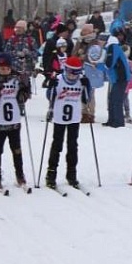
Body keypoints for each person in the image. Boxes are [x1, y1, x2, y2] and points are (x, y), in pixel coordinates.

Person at [0, 53, 31, 190]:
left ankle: (20, 175)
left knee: (16, 149)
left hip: (14, 121)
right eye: (1, 68)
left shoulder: (16, 79)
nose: (4, 70)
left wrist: (25, 88)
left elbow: (22, 99)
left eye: (7, 68)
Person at [45, 56, 92, 189]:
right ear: (66, 69)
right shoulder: (59, 79)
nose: (72, 76)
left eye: (76, 73)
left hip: (74, 119)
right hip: (59, 118)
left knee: (72, 147)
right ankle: (51, 174)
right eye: (70, 72)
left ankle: (71, 174)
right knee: (57, 145)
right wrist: (51, 85)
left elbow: (86, 99)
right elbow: (49, 96)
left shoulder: (81, 81)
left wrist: (87, 85)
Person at [74, 25, 106, 123]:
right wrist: (77, 54)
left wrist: (85, 57)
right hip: (80, 69)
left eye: (85, 31)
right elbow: (73, 54)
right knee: (82, 91)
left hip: (91, 70)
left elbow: (96, 56)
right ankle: (84, 112)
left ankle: (91, 114)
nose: (83, 32)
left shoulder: (95, 42)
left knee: (90, 92)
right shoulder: (80, 41)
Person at [103, 27, 131, 128]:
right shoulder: (112, 47)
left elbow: (110, 63)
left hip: (120, 77)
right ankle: (112, 120)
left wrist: (99, 65)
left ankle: (118, 121)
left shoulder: (113, 47)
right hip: (117, 77)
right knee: (112, 99)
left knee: (116, 99)